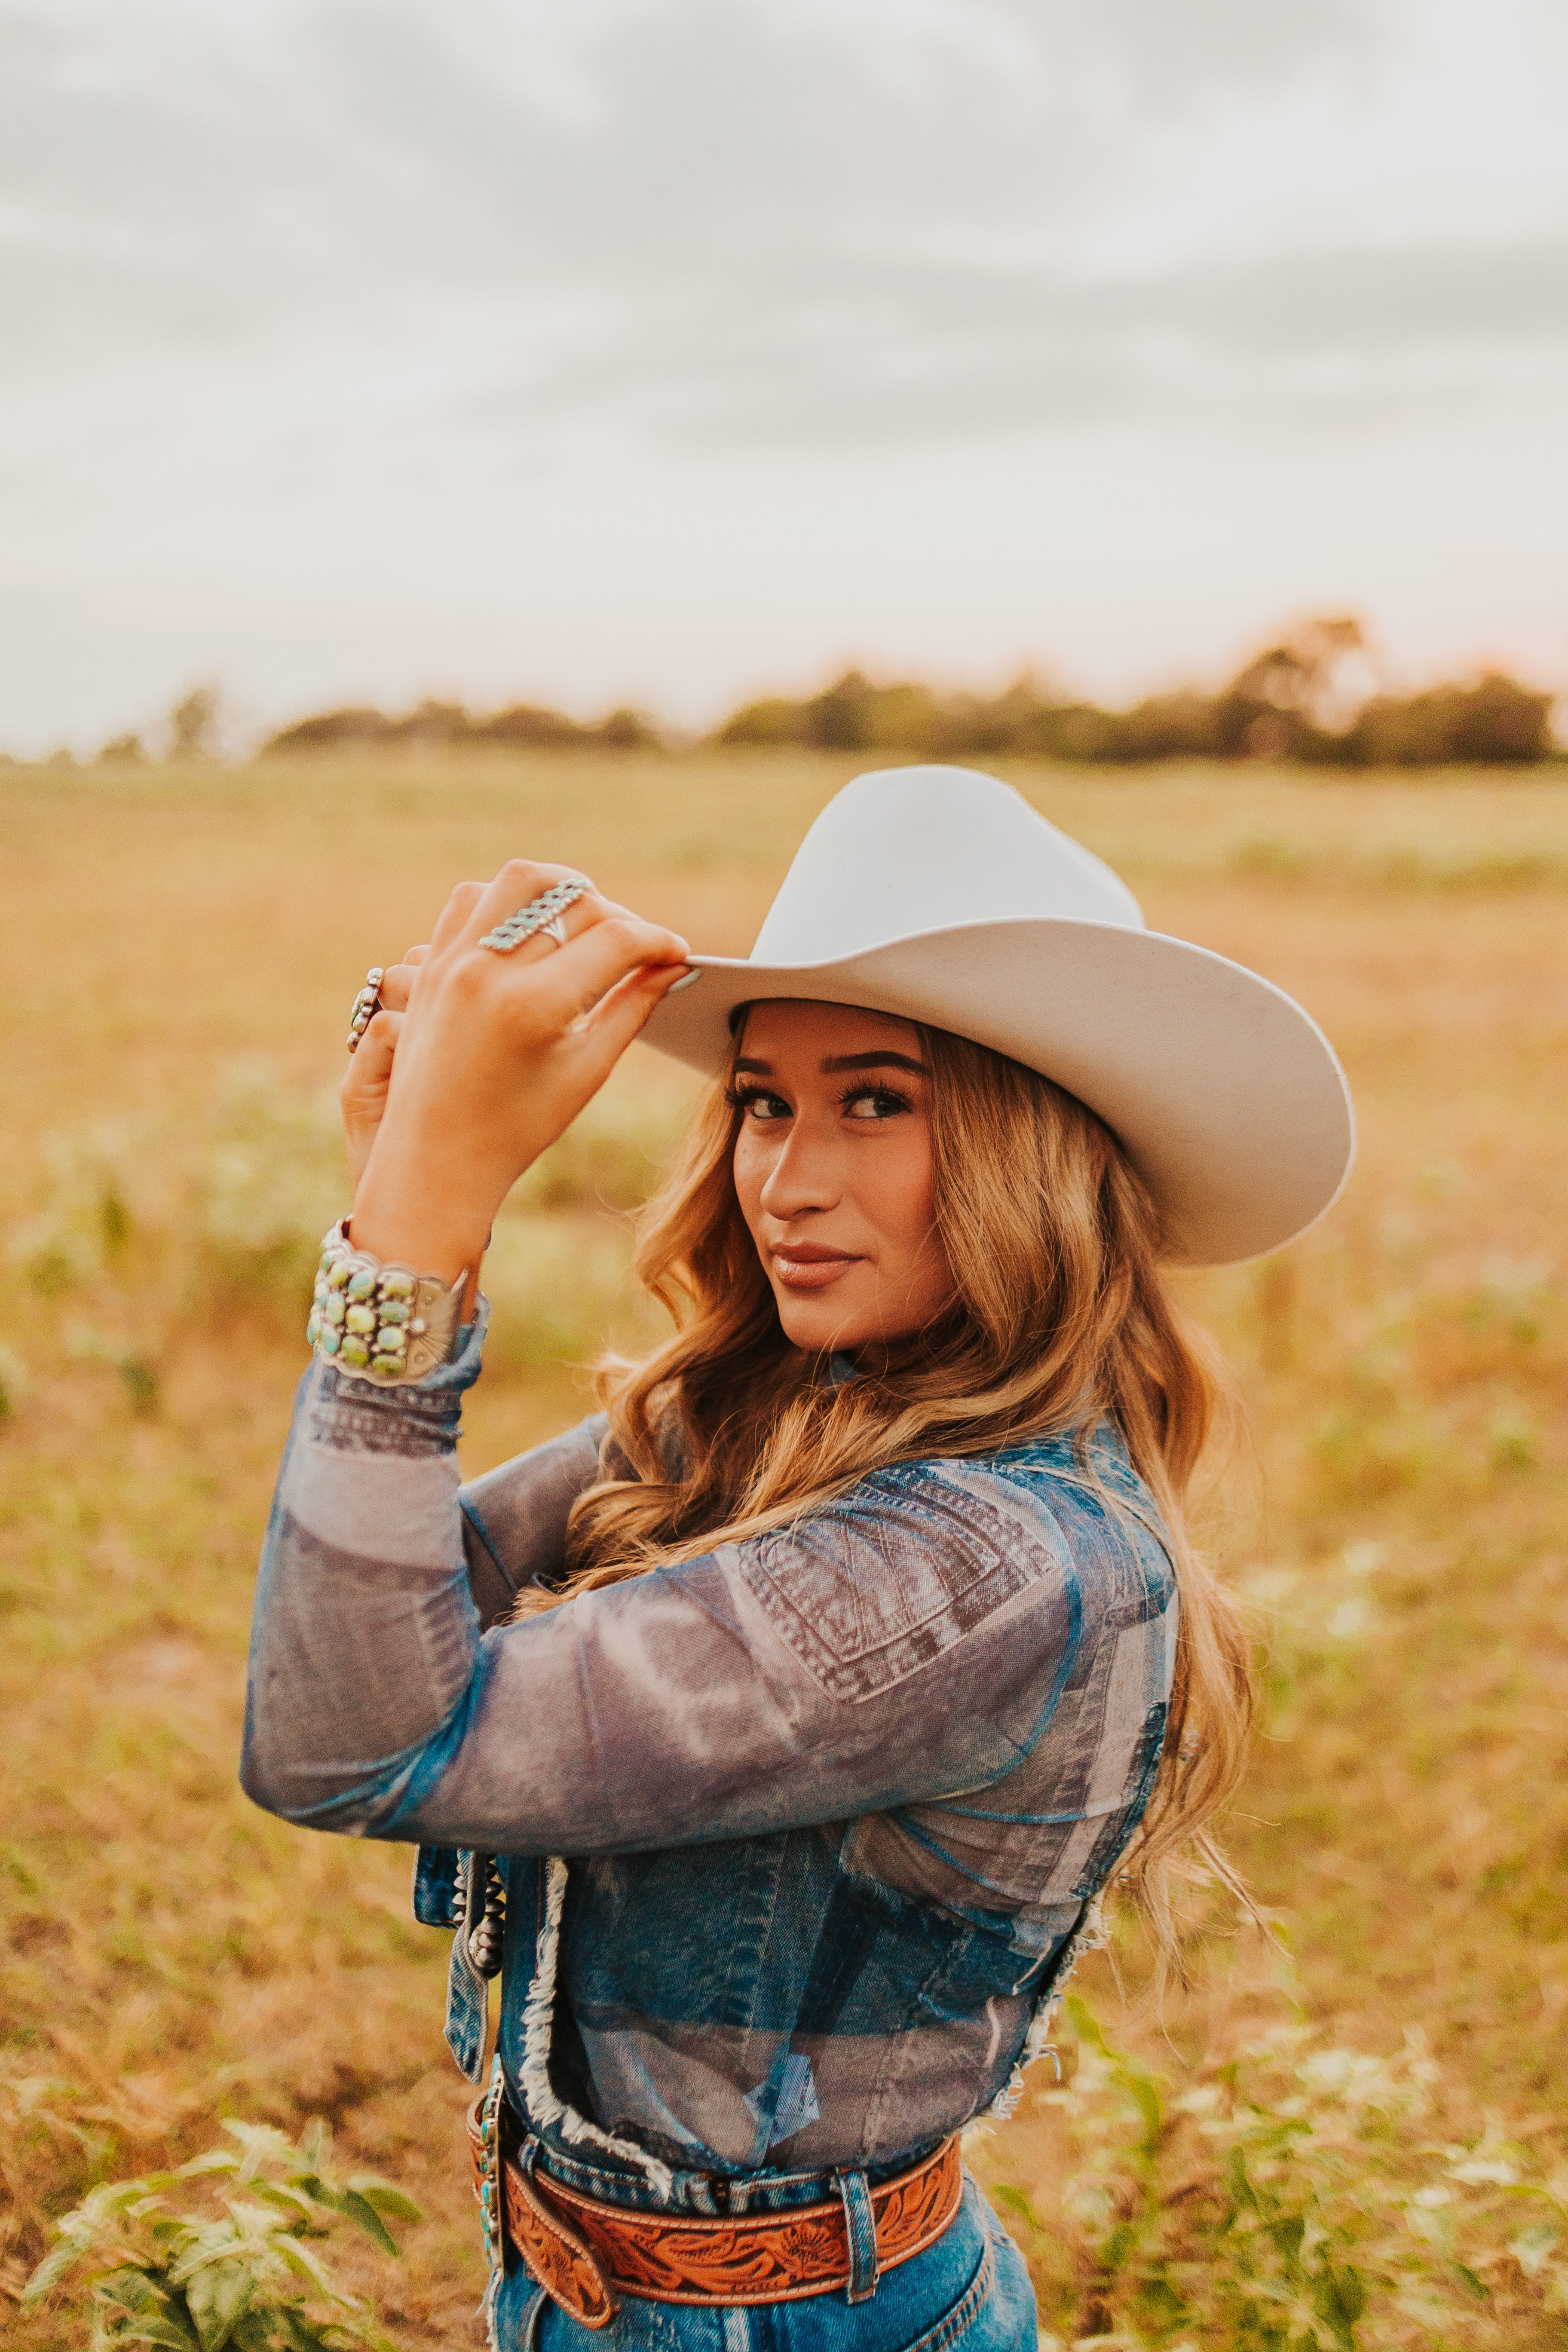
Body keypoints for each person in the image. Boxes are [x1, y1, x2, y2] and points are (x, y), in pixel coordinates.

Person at [243, 767, 1353, 2352]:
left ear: (1034, 1151)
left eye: (876, 1102)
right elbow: (377, 1616)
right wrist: (403, 1183)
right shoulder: (786, 1407)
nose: (785, 1177)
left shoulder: (984, 1566)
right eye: (766, 1101)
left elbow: (348, 1743)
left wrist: (417, 1231)